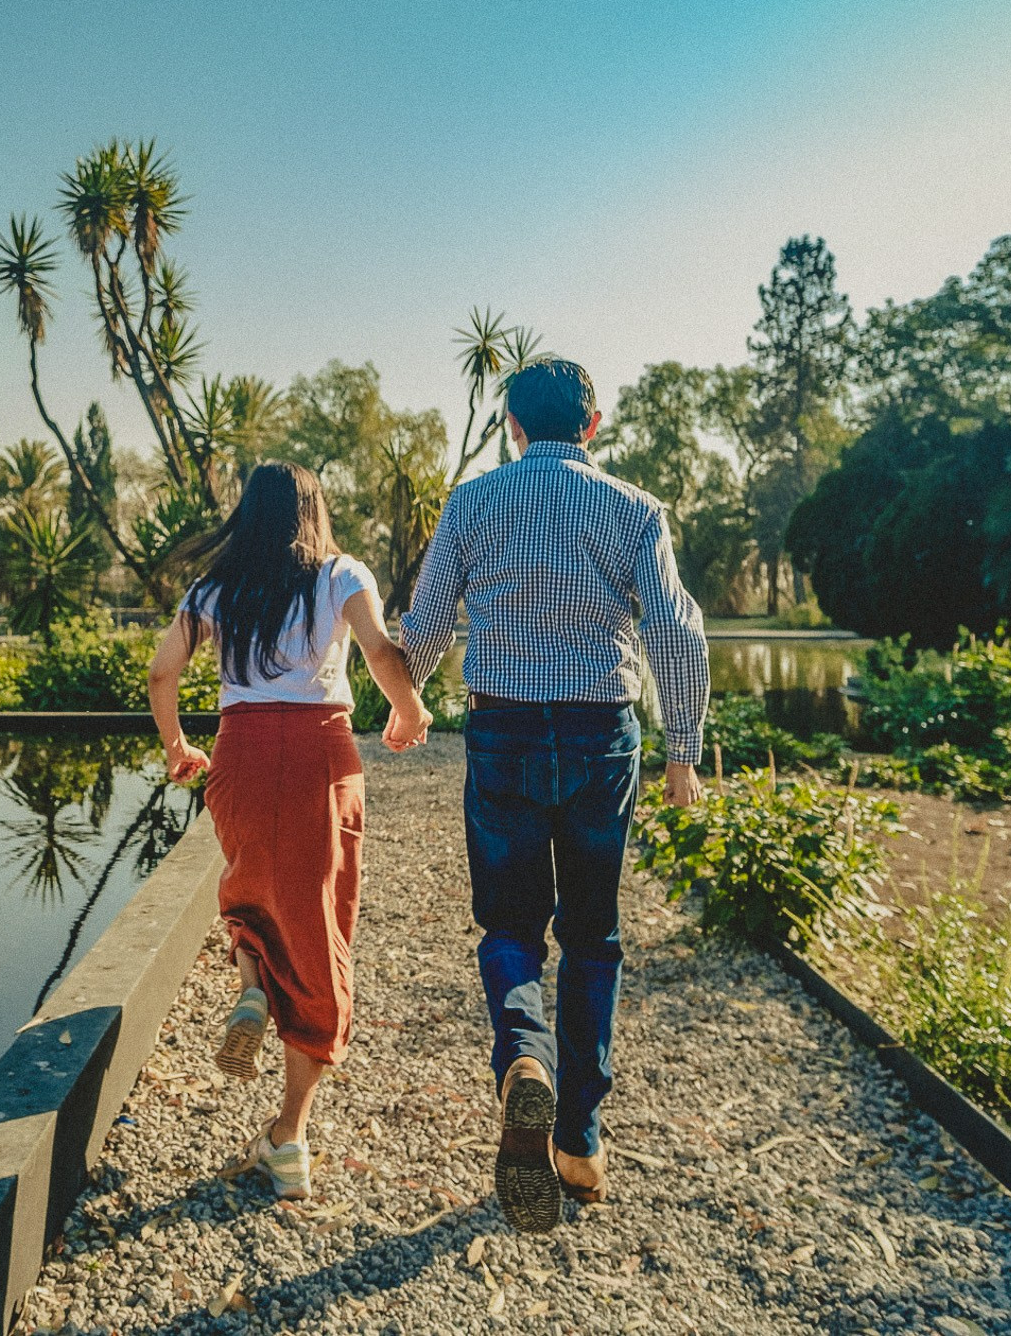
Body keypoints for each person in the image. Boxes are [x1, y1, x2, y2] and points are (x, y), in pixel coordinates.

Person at [393, 357, 708, 1234]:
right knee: (593, 936)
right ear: (594, 424)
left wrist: (404, 701)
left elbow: (423, 630)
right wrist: (683, 749)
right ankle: (578, 1138)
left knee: (509, 927)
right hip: (602, 735)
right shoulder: (635, 510)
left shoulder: (472, 503)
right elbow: (677, 631)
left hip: (501, 734)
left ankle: (523, 1058)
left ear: (512, 428)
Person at [147, 461, 431, 1201]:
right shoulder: (341, 573)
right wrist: (409, 710)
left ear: (249, 514)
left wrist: (178, 748)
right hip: (320, 757)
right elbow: (377, 650)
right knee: (319, 926)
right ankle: (291, 1138)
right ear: (314, 510)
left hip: (240, 751)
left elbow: (161, 673)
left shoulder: (214, 587)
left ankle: (251, 989)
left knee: (248, 890)